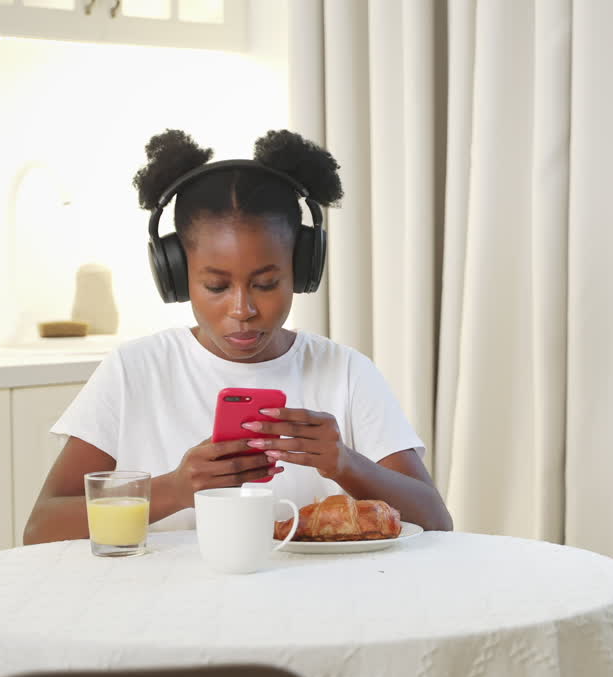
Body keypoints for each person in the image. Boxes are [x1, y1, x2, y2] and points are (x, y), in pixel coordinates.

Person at [23, 128, 453, 544]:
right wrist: (173, 489)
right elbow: (41, 528)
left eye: (266, 284)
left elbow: (437, 523)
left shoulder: (344, 371)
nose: (242, 310)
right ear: (176, 275)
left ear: (301, 271)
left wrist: (346, 464)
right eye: (216, 287)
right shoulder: (135, 370)